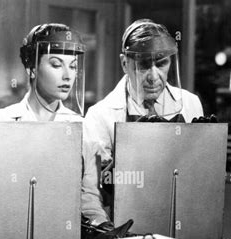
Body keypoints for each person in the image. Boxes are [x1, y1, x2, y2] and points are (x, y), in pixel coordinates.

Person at [0, 23, 110, 228]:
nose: (68, 75)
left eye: (73, 66)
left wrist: (104, 228)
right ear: (31, 68)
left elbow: (89, 201)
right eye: (57, 65)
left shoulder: (83, 128)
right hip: (9, 236)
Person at [84, 19, 204, 208]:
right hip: (127, 219)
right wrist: (124, 163)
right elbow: (96, 190)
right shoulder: (100, 116)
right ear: (125, 63)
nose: (154, 77)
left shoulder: (190, 104)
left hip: (180, 212)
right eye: (144, 66)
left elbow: (198, 180)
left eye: (162, 64)